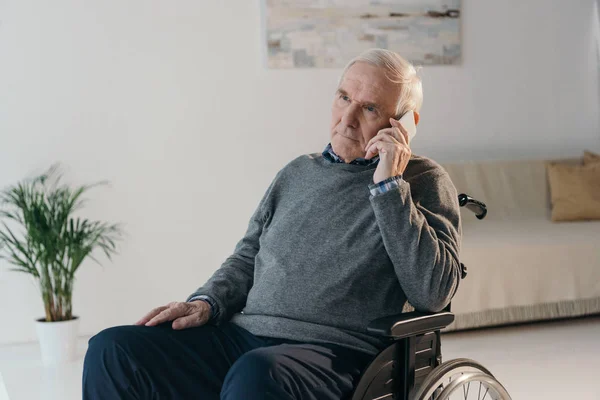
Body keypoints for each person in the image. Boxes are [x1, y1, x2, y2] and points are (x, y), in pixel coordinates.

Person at [82, 48, 462, 400]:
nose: (346, 119)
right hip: (242, 336)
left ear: (404, 125)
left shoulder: (423, 181)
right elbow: (247, 256)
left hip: (337, 353)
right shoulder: (297, 173)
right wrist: (207, 301)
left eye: (369, 109)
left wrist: (389, 185)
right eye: (343, 97)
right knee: (112, 349)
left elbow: (434, 291)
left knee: (256, 373)